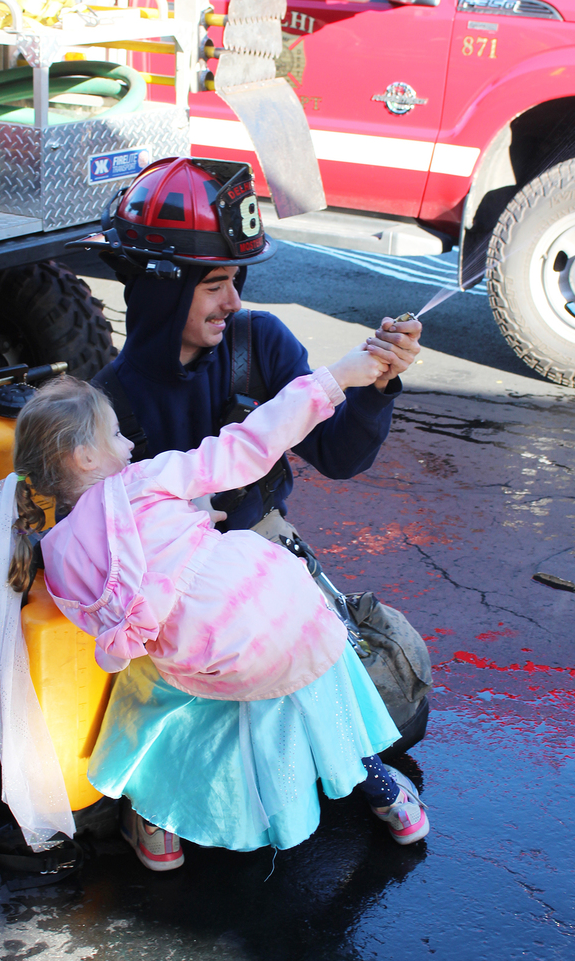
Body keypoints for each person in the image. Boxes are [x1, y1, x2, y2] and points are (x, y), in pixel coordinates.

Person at [0, 346, 430, 874]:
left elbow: (117, 599)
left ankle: (156, 830)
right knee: (316, 678)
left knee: (147, 687)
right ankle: (389, 798)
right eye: (114, 436)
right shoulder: (144, 478)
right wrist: (333, 380)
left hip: (215, 656)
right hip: (286, 610)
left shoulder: (58, 556)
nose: (127, 444)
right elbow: (247, 444)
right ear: (85, 458)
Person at [88, 156, 429, 752]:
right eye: (213, 285)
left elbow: (340, 455)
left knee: (392, 721)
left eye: (235, 281)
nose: (231, 302)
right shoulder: (105, 405)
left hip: (268, 566)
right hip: (169, 602)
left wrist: (375, 388)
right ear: (161, 292)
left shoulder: (259, 341)